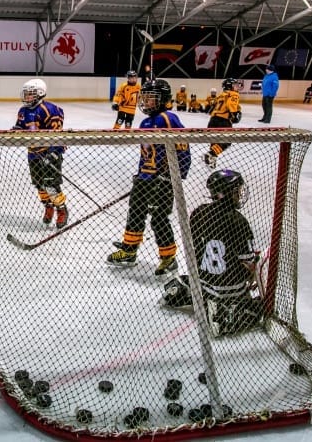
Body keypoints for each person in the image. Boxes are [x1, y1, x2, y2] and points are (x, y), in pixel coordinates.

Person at [160, 169, 263, 336]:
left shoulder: (199, 212)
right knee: (259, 307)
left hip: (202, 280)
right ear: (229, 193)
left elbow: (196, 245)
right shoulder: (239, 221)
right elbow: (248, 262)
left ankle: (188, 291)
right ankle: (222, 315)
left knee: (194, 279)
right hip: (229, 287)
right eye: (237, 191)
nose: (240, 195)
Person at [107, 78, 191, 277]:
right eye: (144, 97)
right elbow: (146, 153)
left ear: (163, 99)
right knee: (135, 212)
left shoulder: (167, 118)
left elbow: (183, 149)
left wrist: (173, 176)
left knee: (158, 218)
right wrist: (140, 174)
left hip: (163, 180)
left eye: (151, 98)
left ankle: (168, 257)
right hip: (145, 178)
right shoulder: (145, 122)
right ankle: (129, 250)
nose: (146, 102)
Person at [12, 78, 68, 228]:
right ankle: (48, 206)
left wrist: (54, 153)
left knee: (51, 185)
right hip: (33, 153)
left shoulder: (50, 109)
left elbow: (58, 134)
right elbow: (19, 127)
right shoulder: (23, 111)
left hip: (50, 153)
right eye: (26, 94)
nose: (27, 97)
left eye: (30, 94)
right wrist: (15, 132)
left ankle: (62, 210)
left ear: (40, 94)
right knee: (39, 184)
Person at [203, 78, 242, 169]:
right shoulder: (233, 94)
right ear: (229, 86)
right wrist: (235, 114)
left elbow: (212, 109)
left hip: (213, 120)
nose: (237, 87)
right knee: (227, 141)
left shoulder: (221, 95)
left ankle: (211, 160)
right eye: (235, 85)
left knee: (215, 142)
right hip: (223, 121)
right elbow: (231, 104)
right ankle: (211, 154)